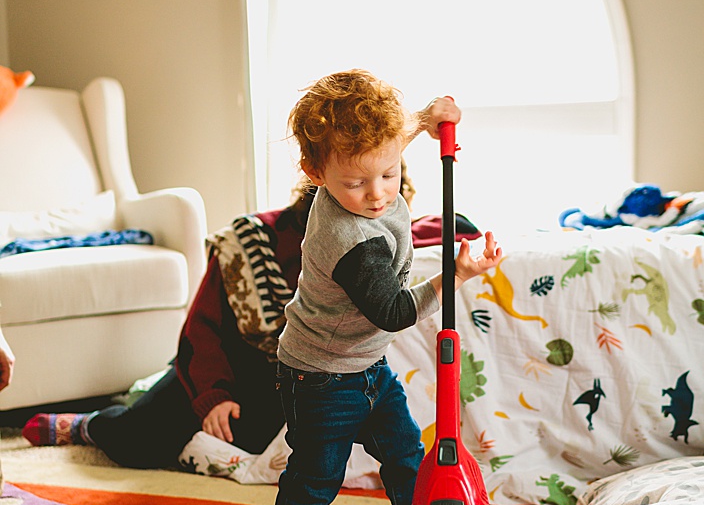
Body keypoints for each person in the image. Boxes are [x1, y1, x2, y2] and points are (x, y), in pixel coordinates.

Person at [21, 140, 474, 469]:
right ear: (322, 187)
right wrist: (213, 395)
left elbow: (444, 228)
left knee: (258, 445)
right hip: (221, 366)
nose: (373, 199)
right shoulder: (254, 237)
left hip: (287, 379)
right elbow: (201, 327)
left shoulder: (378, 234)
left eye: (386, 188)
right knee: (140, 439)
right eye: (356, 185)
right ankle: (91, 424)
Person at [266, 70, 499, 505]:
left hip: (368, 367)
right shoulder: (350, 242)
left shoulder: (370, 169)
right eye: (356, 183)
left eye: (390, 174)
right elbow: (394, 312)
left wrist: (426, 117)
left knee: (407, 460)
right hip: (319, 376)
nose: (376, 195)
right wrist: (457, 274)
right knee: (314, 480)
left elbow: (385, 144)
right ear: (314, 172)